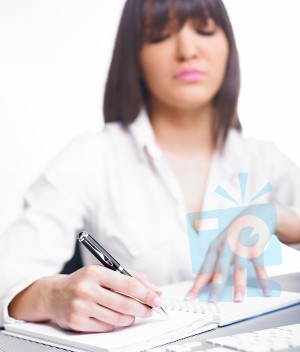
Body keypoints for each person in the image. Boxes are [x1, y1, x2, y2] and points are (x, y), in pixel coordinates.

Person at [1, 0, 300, 332]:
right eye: (160, 35)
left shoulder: (262, 159)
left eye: (204, 30)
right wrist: (54, 295)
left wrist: (278, 218)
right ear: (135, 58)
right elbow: (8, 274)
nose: (187, 50)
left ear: (229, 45)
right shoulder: (92, 156)